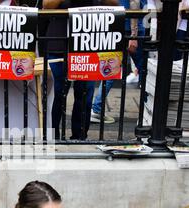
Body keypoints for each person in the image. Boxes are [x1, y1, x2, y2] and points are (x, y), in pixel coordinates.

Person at [45, 0, 118, 140]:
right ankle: (51, 135)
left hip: (87, 44)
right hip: (59, 42)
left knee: (85, 95)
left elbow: (114, 4)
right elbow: (47, 5)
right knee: (56, 93)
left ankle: (79, 136)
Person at [91, 0, 144, 124]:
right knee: (144, 70)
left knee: (111, 70)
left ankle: (96, 109)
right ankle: (148, 110)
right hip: (129, 27)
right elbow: (135, 2)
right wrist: (134, 35)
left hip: (115, 24)